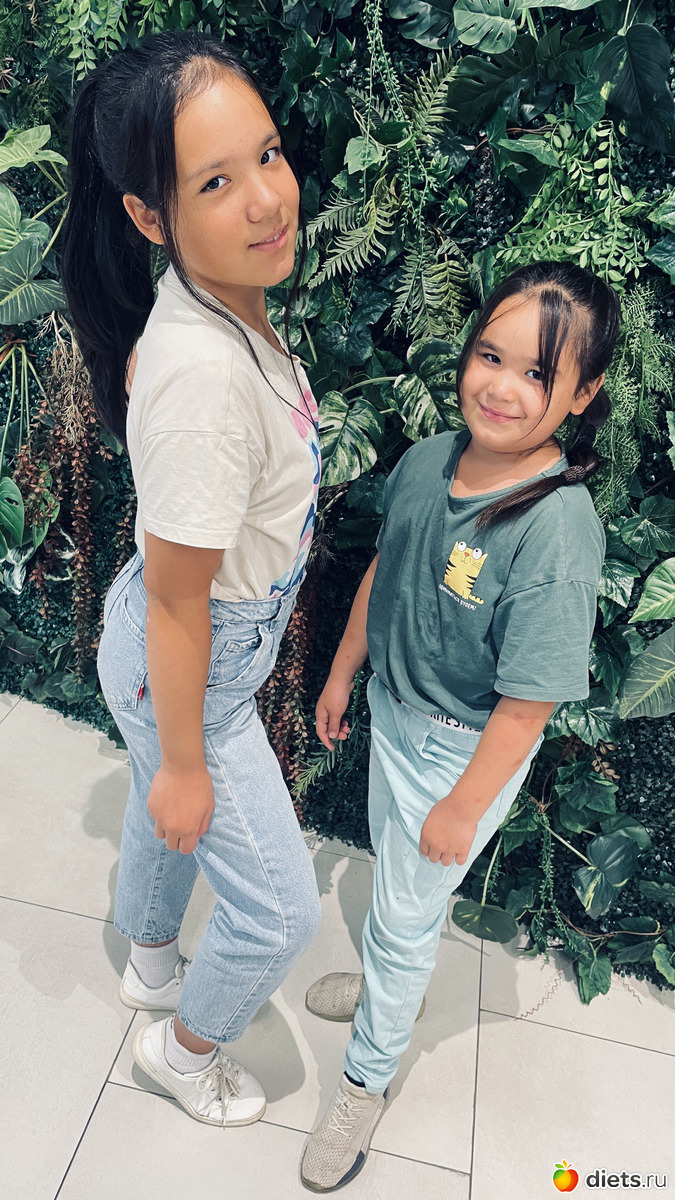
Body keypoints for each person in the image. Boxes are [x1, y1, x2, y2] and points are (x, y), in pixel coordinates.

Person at [300, 259, 622, 1190]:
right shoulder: (429, 458)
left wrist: (462, 805)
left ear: (582, 394)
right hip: (392, 713)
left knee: (406, 917)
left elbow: (530, 703)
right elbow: (384, 569)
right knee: (399, 891)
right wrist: (344, 668)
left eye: (537, 373)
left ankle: (365, 1079)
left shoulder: (555, 530)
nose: (501, 388)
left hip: (457, 754)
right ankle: (384, 990)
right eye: (491, 355)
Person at [60, 29, 323, 1128]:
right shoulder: (203, 381)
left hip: (172, 646)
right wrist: (182, 761)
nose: (267, 199)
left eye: (267, 154)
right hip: (188, 659)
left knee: (163, 814)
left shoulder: (211, 306)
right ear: (149, 215)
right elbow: (180, 600)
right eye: (216, 182)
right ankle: (182, 1052)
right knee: (280, 914)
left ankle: (150, 959)